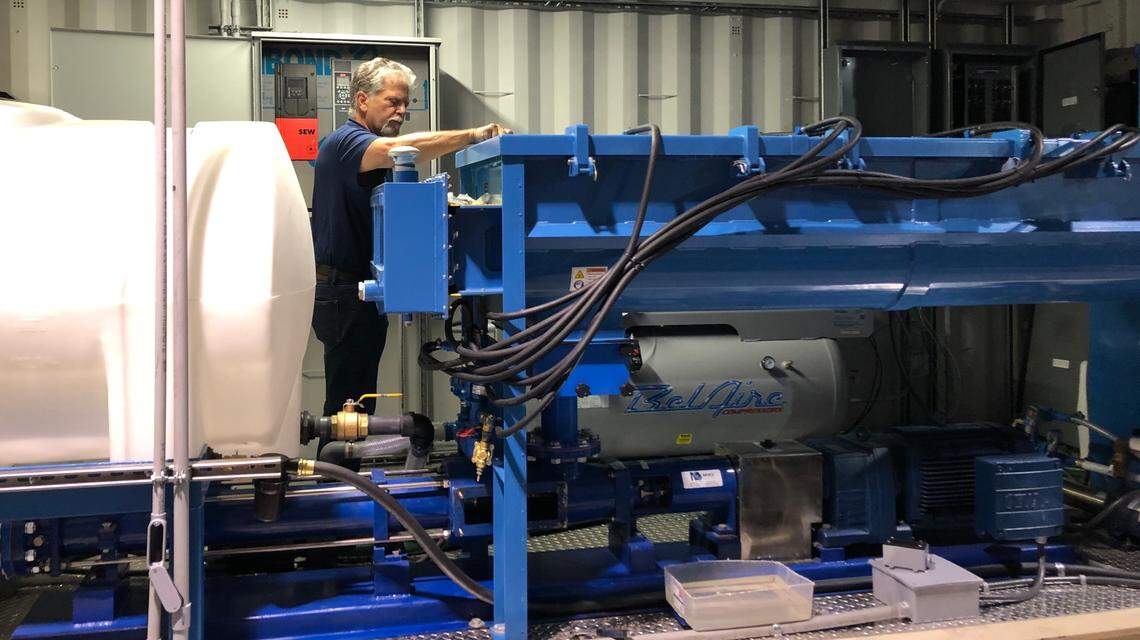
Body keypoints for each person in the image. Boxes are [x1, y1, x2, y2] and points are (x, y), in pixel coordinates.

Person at [311, 57, 508, 423]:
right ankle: (337, 459)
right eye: (393, 101)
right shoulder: (347, 142)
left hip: (351, 292)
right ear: (362, 100)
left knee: (355, 404)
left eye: (405, 103)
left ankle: (344, 456)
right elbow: (403, 149)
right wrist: (473, 135)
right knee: (347, 408)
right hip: (345, 296)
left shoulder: (354, 146)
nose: (401, 111)